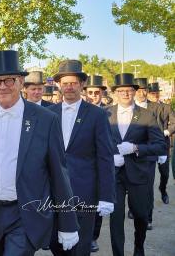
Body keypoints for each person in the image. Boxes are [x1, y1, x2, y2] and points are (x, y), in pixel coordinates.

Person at [0, 50, 79, 255]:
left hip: (25, 214)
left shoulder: (45, 119)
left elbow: (58, 173)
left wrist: (68, 223)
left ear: (21, 82)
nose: (2, 86)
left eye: (9, 80)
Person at [48, 61, 115, 256]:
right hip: (54, 192)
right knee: (56, 243)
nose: (69, 87)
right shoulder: (48, 114)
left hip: (85, 192)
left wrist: (106, 196)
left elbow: (105, 157)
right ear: (59, 85)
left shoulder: (98, 115)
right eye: (65, 83)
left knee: (81, 246)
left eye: (73, 83)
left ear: (82, 84)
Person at [107, 73, 166, 256]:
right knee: (115, 219)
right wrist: (111, 157)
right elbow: (97, 144)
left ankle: (139, 247)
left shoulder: (147, 115)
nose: (126, 94)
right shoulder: (105, 113)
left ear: (135, 91)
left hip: (139, 173)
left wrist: (135, 148)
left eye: (129, 90)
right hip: (114, 175)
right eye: (121, 90)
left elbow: (160, 145)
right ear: (115, 92)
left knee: (140, 215)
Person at [133, 77, 164, 229]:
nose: (142, 93)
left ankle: (148, 218)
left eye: (144, 90)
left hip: (148, 156)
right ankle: (134, 211)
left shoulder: (156, 108)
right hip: (128, 157)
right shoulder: (125, 107)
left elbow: (158, 135)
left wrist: (162, 152)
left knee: (147, 189)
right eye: (138, 90)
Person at [83, 74, 109, 252]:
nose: (93, 95)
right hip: (84, 165)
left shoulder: (109, 112)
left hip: (105, 162)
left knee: (96, 206)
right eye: (90, 92)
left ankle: (93, 237)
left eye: (96, 92)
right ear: (85, 92)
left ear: (101, 93)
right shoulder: (79, 110)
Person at [147, 82, 174, 204]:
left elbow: (174, 123)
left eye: (157, 93)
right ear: (148, 94)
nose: (155, 95)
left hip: (163, 144)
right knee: (146, 176)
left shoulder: (167, 107)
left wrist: (168, 131)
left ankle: (163, 190)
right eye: (152, 93)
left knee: (165, 173)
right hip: (148, 145)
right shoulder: (143, 108)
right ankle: (142, 201)